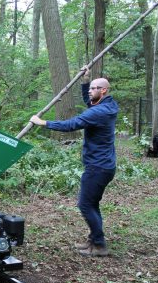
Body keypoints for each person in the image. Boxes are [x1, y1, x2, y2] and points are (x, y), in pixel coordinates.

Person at [29, 67, 118, 257]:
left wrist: (43, 123)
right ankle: (94, 240)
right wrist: (85, 80)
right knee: (92, 204)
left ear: (103, 90)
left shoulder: (99, 112)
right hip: (103, 165)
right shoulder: (107, 106)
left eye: (94, 88)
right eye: (90, 88)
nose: (89, 91)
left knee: (85, 205)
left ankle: (100, 245)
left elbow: (72, 124)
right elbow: (90, 103)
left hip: (98, 167)